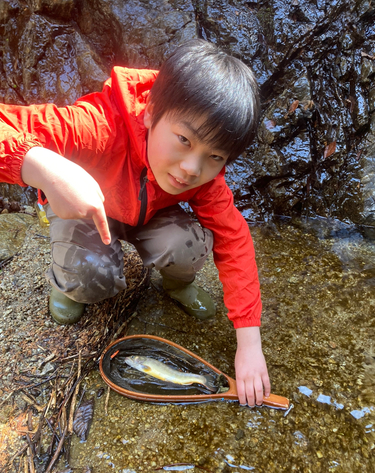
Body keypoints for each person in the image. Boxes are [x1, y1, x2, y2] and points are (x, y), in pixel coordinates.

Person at [0, 39, 270, 407]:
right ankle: (66, 283)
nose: (192, 168)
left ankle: (177, 284)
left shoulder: (205, 179)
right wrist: (42, 166)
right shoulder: (96, 126)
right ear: (150, 112)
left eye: (215, 156)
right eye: (183, 140)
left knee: (188, 247)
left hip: (148, 217)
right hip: (86, 212)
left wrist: (249, 341)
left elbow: (234, 239)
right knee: (90, 277)